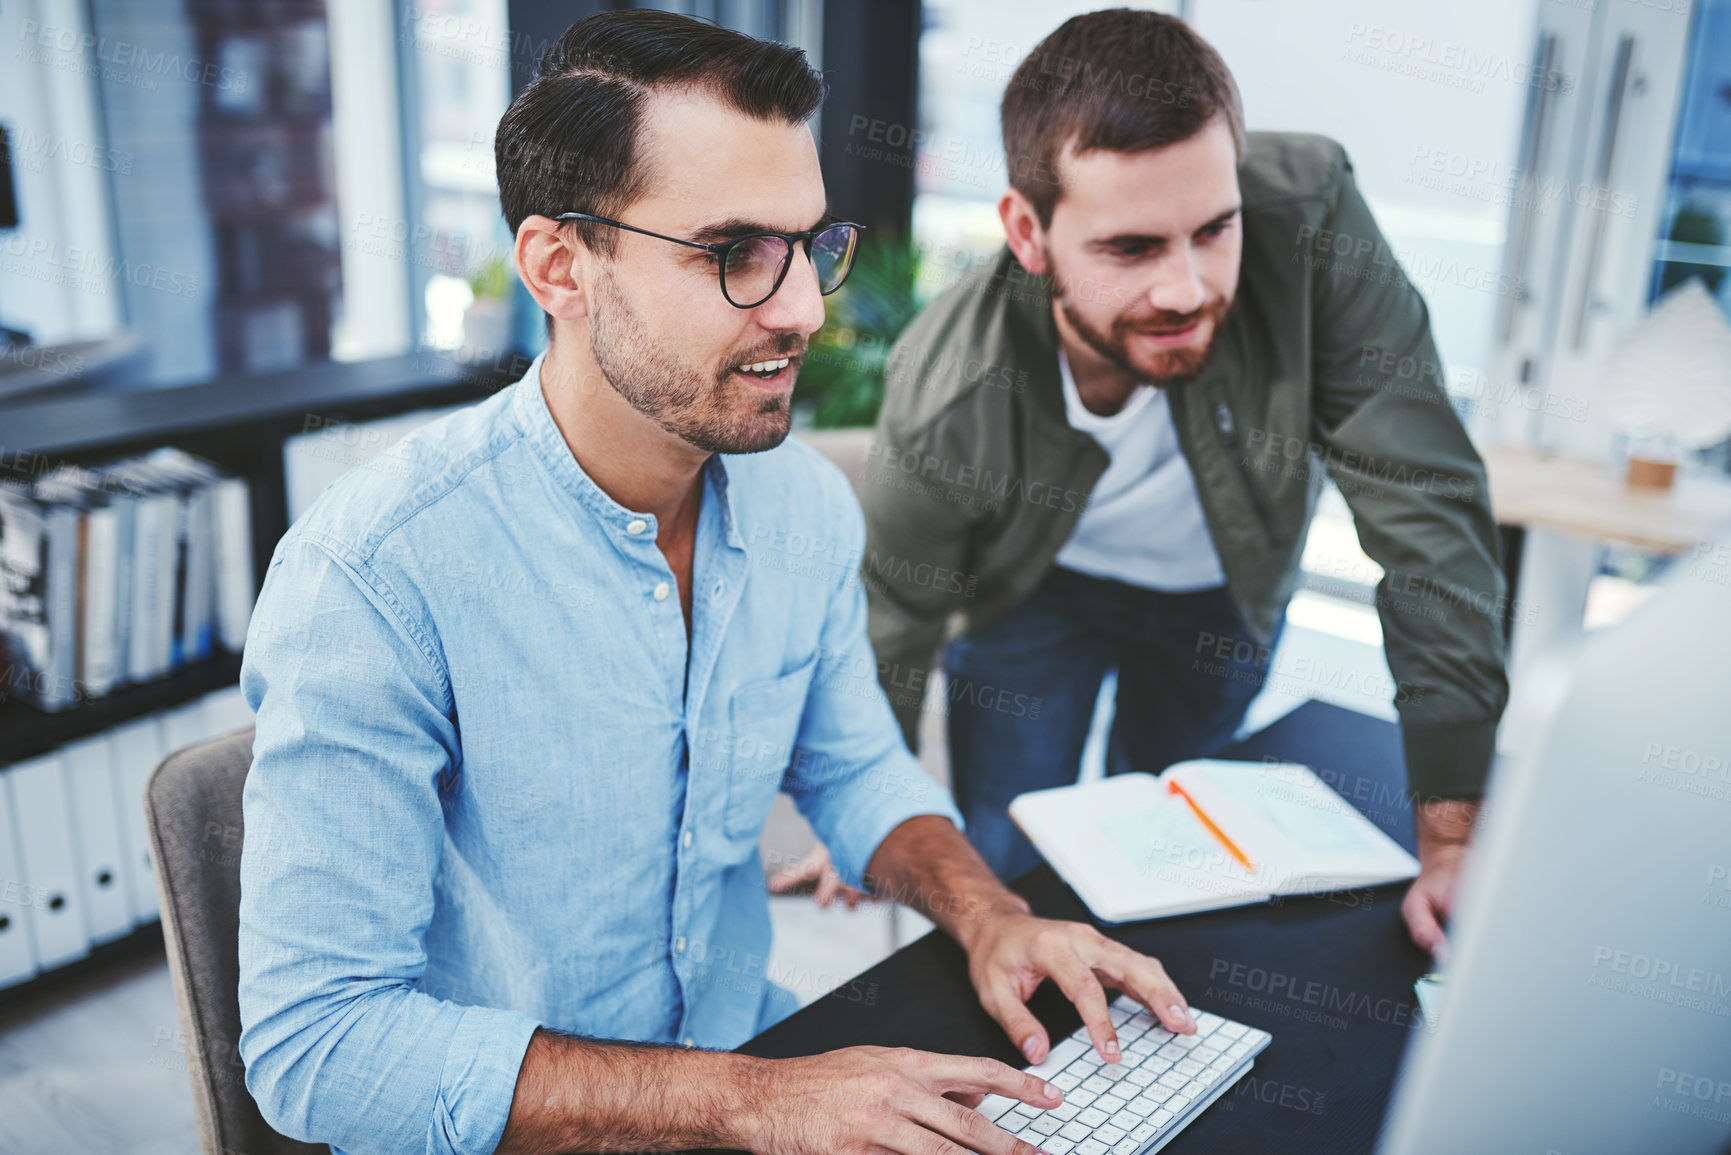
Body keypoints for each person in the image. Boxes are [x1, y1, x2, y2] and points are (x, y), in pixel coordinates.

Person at [237, 12, 1200, 1155]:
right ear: (560, 268)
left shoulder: (797, 507)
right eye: (734, 251)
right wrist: (747, 1100)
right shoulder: (375, 576)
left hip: (752, 1066)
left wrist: (993, 919)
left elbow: (851, 771)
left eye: (808, 244)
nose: (802, 308)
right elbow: (317, 1045)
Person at [776, 10, 1505, 961]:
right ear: (1027, 233)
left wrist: (1451, 827)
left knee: (1184, 858)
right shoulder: (950, 379)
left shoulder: (1313, 217)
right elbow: (897, 614)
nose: (1185, 288)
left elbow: (1423, 499)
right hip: (1034, 593)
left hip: (1218, 587)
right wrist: (870, 822)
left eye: (1214, 229)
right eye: (1130, 249)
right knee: (1006, 830)